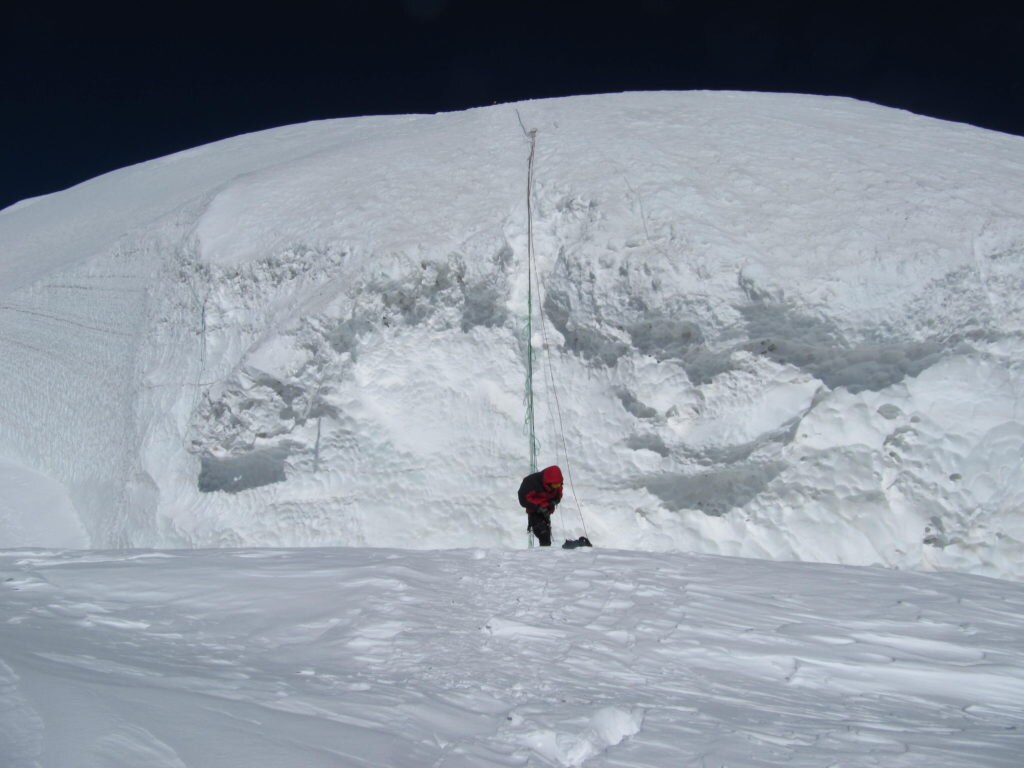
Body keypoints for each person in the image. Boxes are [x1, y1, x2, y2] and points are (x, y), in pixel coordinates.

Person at [517, 465, 563, 546]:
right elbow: (523, 499)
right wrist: (539, 507)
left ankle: (545, 554)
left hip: (547, 510)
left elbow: (558, 494)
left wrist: (555, 501)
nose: (557, 487)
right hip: (534, 511)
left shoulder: (556, 484)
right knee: (543, 534)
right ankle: (544, 555)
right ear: (548, 482)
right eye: (555, 485)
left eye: (558, 485)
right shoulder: (531, 482)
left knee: (546, 536)